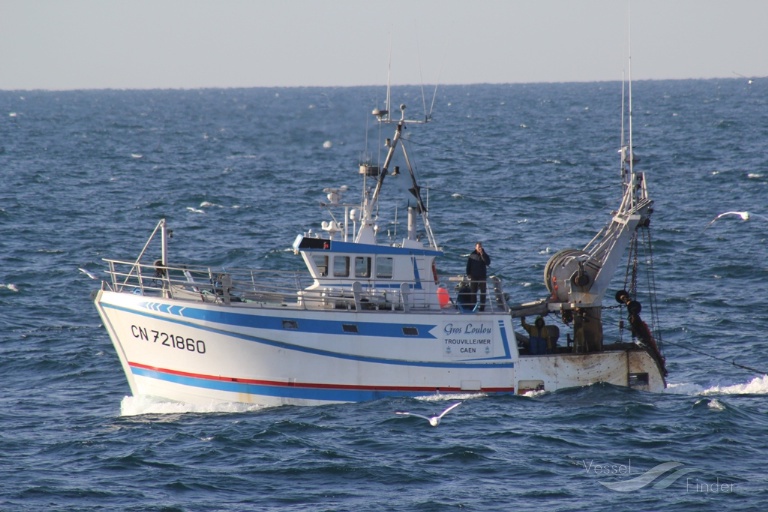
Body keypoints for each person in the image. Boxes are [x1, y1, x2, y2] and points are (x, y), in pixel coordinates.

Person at [466, 241, 491, 311]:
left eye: (480, 247)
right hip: (474, 276)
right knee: (473, 292)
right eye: (478, 247)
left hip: (482, 276)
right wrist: (468, 274)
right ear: (475, 247)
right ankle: (473, 306)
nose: (479, 248)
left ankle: (482, 307)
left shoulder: (484, 254)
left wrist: (482, 254)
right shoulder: (472, 255)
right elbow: (468, 265)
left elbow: (488, 262)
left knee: (483, 292)